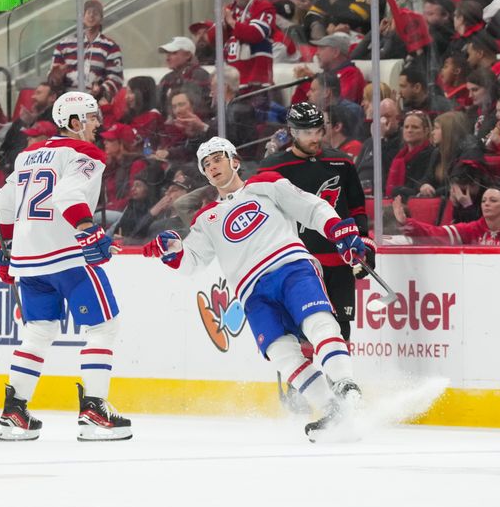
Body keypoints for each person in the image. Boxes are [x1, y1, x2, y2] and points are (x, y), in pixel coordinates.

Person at [143, 136, 366, 440]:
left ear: (235, 161)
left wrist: (337, 228)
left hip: (291, 267)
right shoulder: (206, 218)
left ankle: (345, 383)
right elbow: (192, 262)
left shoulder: (265, 184)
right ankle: (332, 410)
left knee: (318, 323)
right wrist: (172, 251)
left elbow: (312, 207)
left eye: (218, 159)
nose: (213, 167)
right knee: (280, 353)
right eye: (206, 165)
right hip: (252, 293)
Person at [0, 91, 132, 442]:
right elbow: (68, 196)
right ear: (73, 122)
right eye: (91, 117)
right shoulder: (84, 152)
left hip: (29, 258)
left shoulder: (27, 156)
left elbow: (3, 204)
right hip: (67, 254)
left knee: (39, 331)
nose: (98, 124)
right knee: (103, 326)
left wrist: (6, 246)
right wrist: (87, 231)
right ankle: (95, 409)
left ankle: (14, 412)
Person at [257, 103, 374, 397]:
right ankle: (302, 390)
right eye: (306, 132)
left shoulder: (342, 163)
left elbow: (357, 208)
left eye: (317, 130)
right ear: (292, 132)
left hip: (338, 260)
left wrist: (364, 243)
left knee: (341, 325)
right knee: (303, 326)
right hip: (298, 263)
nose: (314, 137)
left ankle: (340, 387)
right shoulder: (273, 169)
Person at [48, 0, 124, 102]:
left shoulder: (111, 47)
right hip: (66, 101)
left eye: (95, 13)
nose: (91, 16)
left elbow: (116, 78)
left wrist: (101, 90)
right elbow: (52, 78)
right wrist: (55, 78)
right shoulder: (63, 45)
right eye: (88, 12)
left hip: (95, 103)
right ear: (82, 18)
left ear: (101, 19)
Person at [392, 188, 500, 245]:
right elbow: (436, 233)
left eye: (493, 200)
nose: (487, 204)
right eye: (484, 201)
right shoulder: (472, 230)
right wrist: (406, 223)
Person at [205, 0, 276, 92]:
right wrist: (223, 23)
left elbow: (255, 34)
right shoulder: (230, 9)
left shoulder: (263, 6)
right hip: (231, 85)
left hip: (256, 83)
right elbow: (212, 38)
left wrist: (231, 22)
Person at [355, 98, 402, 194]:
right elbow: (356, 168)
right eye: (379, 117)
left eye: (387, 116)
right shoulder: (369, 142)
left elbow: (386, 166)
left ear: (397, 119)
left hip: (381, 194)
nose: (382, 121)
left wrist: (380, 138)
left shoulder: (401, 141)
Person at [385, 110, 435, 198]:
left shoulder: (432, 154)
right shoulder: (399, 156)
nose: (409, 130)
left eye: (415, 127)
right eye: (406, 127)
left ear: (426, 131)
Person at [156, 36, 211, 115]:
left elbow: (202, 108)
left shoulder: (200, 76)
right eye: (167, 54)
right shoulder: (167, 78)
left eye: (173, 53)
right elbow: (159, 107)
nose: (167, 58)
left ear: (188, 55)